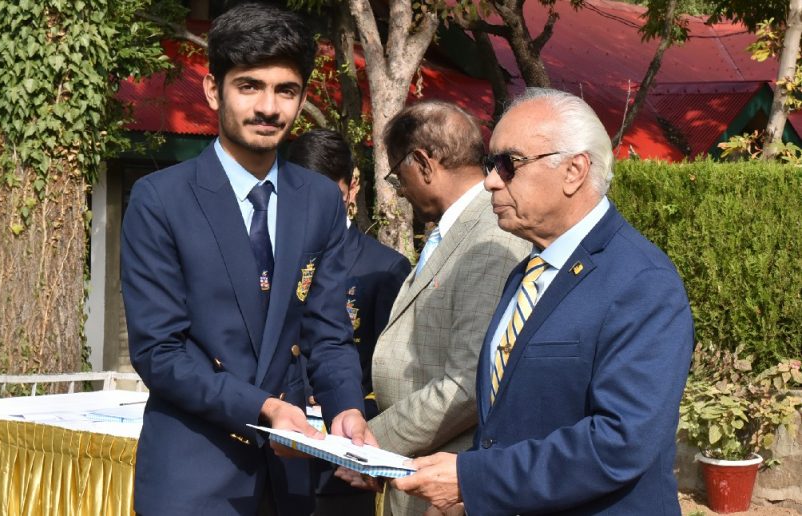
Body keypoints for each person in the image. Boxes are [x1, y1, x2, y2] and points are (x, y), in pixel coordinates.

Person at [390, 88, 695, 515]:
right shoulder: (527, 272)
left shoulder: (642, 282)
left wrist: (474, 479)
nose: (491, 181)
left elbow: (620, 442)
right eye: (490, 164)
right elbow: (508, 422)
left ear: (573, 171)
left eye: (508, 164)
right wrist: (473, 499)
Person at [120, 4, 374, 515]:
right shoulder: (160, 199)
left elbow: (327, 332)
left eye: (286, 90)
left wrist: (347, 407)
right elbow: (160, 352)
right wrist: (263, 407)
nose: (268, 107)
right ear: (214, 90)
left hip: (292, 475)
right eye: (250, 86)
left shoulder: (318, 200)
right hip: (193, 476)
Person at [337, 100, 531, 516]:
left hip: (446, 484)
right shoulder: (456, 229)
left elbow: (469, 381)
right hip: (417, 468)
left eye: (397, 175)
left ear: (424, 163)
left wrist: (372, 441)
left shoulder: (490, 236)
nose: (399, 189)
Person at [285, 128, 411, 515]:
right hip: (279, 459)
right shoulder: (277, 257)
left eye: (329, 197)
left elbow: (387, 374)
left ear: (352, 186)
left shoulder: (385, 268)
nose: (316, 211)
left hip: (342, 465)